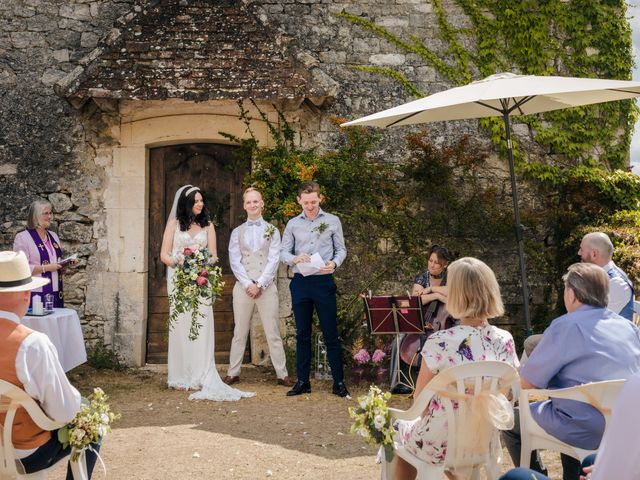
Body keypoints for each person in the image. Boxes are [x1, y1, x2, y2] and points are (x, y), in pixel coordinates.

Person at [502, 262, 640, 480]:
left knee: (510, 422)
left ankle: (534, 475)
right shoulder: (629, 328)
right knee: (568, 403)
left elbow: (527, 383)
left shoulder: (565, 326)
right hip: (623, 426)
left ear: (573, 295)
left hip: (582, 426)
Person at [392, 257, 520, 480]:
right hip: (483, 441)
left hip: (440, 442)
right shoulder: (505, 339)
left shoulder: (441, 341)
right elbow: (510, 395)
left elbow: (420, 402)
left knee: (395, 428)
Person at [0, 250, 100, 478]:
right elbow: (63, 411)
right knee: (92, 426)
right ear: (26, 294)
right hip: (26, 453)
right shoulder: (32, 344)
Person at [160, 184, 254, 401]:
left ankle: (202, 373)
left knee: (201, 324)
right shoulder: (174, 225)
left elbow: (213, 256)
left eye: (201, 201)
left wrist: (200, 261)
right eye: (196, 201)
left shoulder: (208, 225)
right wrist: (179, 260)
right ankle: (181, 376)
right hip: (179, 280)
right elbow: (164, 254)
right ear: (187, 204)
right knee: (181, 324)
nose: (200, 204)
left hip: (201, 280)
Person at [499, 372, 640, 480]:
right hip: (605, 425)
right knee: (590, 460)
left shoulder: (566, 334)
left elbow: (527, 382)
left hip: (579, 423)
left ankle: (538, 472)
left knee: (515, 476)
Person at [280, 181, 349, 397]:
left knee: (330, 334)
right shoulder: (292, 224)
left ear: (320, 198)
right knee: (302, 334)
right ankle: (302, 381)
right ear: (299, 200)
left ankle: (338, 382)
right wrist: (294, 258)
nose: (310, 206)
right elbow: (283, 253)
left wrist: (335, 264)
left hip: (323, 281)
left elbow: (341, 249)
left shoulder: (332, 221)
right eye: (306, 202)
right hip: (300, 282)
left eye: (314, 201)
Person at [523, 231, 635, 357]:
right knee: (539, 341)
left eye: (581, 249)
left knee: (533, 343)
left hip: (605, 347)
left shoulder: (616, 283)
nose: (578, 253)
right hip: (588, 338)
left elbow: (595, 323)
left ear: (594, 254)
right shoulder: (595, 277)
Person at [223, 188, 292, 387]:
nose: (253, 205)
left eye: (256, 201)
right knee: (239, 331)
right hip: (243, 288)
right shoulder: (237, 232)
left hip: (266, 288)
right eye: (249, 202)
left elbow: (274, 260)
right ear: (244, 205)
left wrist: (260, 284)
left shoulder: (273, 230)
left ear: (262, 203)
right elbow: (235, 261)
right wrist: (248, 284)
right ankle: (233, 372)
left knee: (273, 331)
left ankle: (282, 374)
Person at [390, 244, 456, 394]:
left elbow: (453, 293)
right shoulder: (422, 277)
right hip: (422, 320)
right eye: (430, 260)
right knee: (398, 340)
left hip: (445, 322)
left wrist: (431, 289)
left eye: (437, 263)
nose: (432, 265)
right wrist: (437, 296)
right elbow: (415, 300)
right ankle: (400, 382)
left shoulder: (451, 278)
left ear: (445, 265)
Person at [13, 199, 73, 308]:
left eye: (50, 213)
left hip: (56, 291)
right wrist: (48, 268)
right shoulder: (22, 237)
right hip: (35, 292)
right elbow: (20, 269)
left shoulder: (53, 236)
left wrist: (63, 266)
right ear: (35, 216)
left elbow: (55, 264)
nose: (50, 217)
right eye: (46, 213)